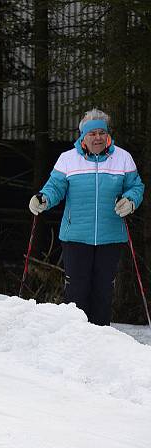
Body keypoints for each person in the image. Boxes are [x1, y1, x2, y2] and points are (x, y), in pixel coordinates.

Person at [29, 108, 144, 326]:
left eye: (102, 132)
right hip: (76, 236)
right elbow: (55, 187)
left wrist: (130, 201)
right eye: (92, 133)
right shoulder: (67, 160)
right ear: (83, 136)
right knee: (76, 291)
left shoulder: (123, 158)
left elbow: (135, 187)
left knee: (103, 291)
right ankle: (75, 338)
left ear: (108, 134)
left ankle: (100, 339)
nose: (98, 137)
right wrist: (43, 198)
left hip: (111, 237)